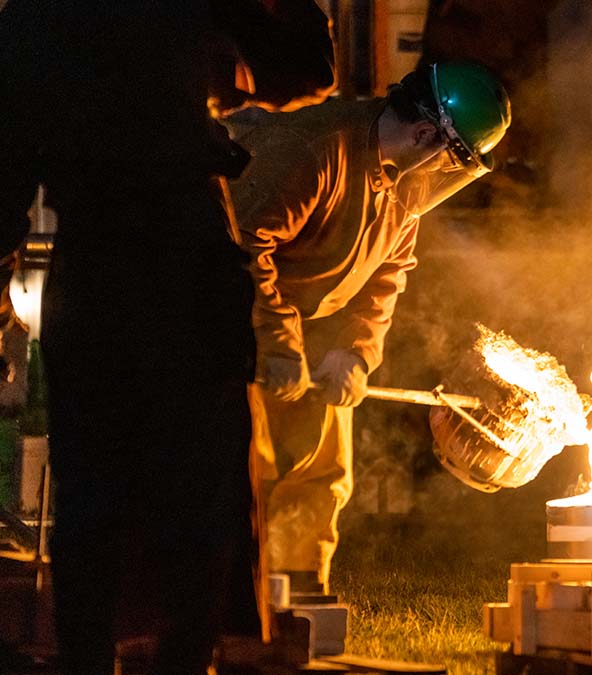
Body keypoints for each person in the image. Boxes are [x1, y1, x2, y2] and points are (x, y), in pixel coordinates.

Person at [0, 1, 334, 672]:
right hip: (186, 267)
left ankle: (90, 656)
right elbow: (304, 73)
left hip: (96, 275)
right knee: (200, 490)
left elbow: (8, 167)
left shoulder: (31, 21)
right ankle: (181, 656)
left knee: (93, 491)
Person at [225, 61, 511, 598]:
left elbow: (389, 272)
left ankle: (298, 600)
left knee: (323, 467)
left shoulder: (404, 183)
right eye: (453, 158)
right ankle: (229, 604)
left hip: (298, 319)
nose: (444, 173)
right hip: (225, 314)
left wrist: (355, 351)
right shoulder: (314, 152)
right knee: (245, 465)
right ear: (426, 134)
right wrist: (276, 345)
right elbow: (242, 245)